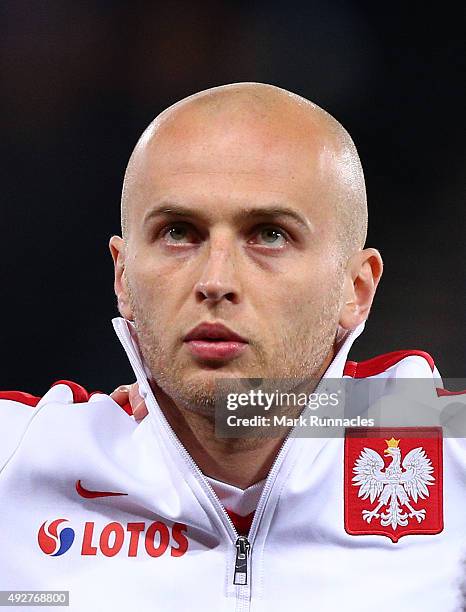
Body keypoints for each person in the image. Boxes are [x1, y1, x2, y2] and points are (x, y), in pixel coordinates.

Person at [0, 83, 464, 611]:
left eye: (269, 234)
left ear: (355, 289)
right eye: (179, 232)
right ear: (123, 277)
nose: (216, 280)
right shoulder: (17, 460)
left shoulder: (450, 454)